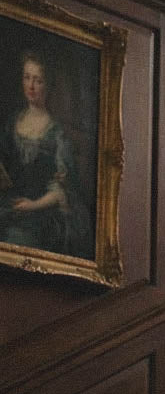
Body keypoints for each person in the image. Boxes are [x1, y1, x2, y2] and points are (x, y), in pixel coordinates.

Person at [0, 50, 93, 259]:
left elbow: (64, 188)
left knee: (15, 239)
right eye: (27, 78)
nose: (31, 86)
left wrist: (32, 205)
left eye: (38, 80)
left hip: (40, 213)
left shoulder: (57, 134)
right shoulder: (12, 122)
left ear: (48, 85)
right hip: (9, 203)